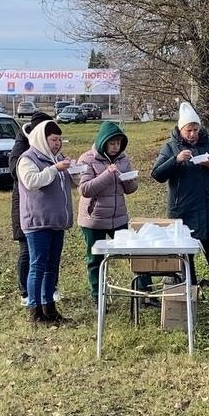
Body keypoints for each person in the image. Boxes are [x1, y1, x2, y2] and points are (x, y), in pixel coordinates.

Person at [151, 102, 209, 304]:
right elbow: (157, 174)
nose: (193, 134)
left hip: (207, 205)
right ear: (181, 129)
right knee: (186, 251)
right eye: (189, 130)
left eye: (196, 130)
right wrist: (175, 160)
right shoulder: (170, 147)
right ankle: (191, 288)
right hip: (182, 208)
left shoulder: (208, 144)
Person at [17, 119, 79, 325]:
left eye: (59, 140)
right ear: (42, 139)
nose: (57, 143)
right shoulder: (28, 158)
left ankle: (49, 307)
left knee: (53, 266)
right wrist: (54, 169)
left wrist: (75, 171)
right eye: (53, 140)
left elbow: (68, 184)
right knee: (38, 266)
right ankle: (35, 310)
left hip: (56, 221)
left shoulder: (57, 158)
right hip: (38, 222)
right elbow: (32, 181)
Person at [76, 121, 139, 301]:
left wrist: (129, 180)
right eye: (112, 143)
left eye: (118, 143)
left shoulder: (123, 159)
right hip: (94, 218)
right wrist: (107, 174)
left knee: (134, 251)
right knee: (95, 258)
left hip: (118, 217)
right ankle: (98, 295)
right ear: (103, 142)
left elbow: (131, 189)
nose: (115, 147)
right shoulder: (87, 159)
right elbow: (84, 189)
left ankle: (145, 292)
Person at [10, 111, 52, 308]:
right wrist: (48, 170)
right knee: (27, 250)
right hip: (25, 205)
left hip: (46, 208)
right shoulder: (23, 145)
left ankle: (47, 291)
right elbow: (15, 171)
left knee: (47, 254)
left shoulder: (50, 147)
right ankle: (26, 292)